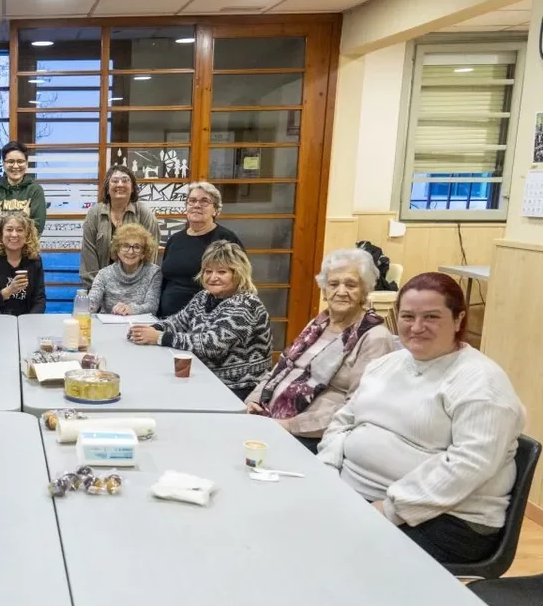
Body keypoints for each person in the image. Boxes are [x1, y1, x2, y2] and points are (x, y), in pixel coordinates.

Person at [318, 272, 525, 564]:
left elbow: (469, 465)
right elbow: (344, 421)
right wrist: (326, 470)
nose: (416, 327)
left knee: (323, 551)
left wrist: (389, 509)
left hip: (446, 519)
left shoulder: (482, 383)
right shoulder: (386, 364)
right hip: (359, 494)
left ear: (458, 320)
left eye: (431, 317)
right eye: (407, 316)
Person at [245, 249, 398, 452]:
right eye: (333, 284)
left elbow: (358, 407)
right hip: (270, 419)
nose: (341, 291)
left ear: (365, 290)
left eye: (351, 285)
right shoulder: (318, 324)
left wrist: (290, 425)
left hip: (312, 437)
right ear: (324, 290)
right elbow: (281, 367)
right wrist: (253, 400)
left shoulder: (375, 337)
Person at [129, 240, 271, 399]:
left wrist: (159, 337)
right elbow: (178, 322)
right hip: (205, 377)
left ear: (238, 274)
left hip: (238, 387)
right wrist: (151, 329)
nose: (213, 277)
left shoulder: (246, 304)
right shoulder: (204, 296)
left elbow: (212, 345)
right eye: (208, 271)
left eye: (222, 272)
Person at [158, 181, 244, 317]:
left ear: (215, 210)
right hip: (167, 318)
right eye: (192, 201)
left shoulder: (226, 239)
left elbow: (239, 281)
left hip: (206, 318)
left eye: (204, 201)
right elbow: (165, 280)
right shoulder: (175, 239)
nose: (197, 205)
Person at [79, 165, 161, 288]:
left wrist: (135, 290)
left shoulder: (144, 214)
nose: (120, 184)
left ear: (132, 188)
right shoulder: (94, 214)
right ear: (107, 188)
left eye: (125, 180)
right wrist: (98, 289)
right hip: (99, 287)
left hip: (135, 289)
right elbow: (88, 259)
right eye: (115, 181)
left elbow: (150, 256)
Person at [0, 211, 46, 316]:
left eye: (20, 230)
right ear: (1, 233)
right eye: (9, 230)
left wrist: (29, 321)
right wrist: (9, 291)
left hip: (23, 320)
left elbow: (39, 299)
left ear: (27, 235)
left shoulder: (34, 259)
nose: (14, 234)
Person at [88, 223, 162, 316]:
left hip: (140, 323)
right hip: (107, 323)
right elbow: (92, 302)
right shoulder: (104, 274)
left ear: (143, 253)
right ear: (117, 250)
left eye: (137, 247)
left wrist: (131, 309)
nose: (130, 252)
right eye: (125, 246)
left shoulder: (154, 273)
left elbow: (152, 306)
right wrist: (86, 308)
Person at [0, 141, 46, 235]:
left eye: (20, 161)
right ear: (3, 164)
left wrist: (1, 219)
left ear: (26, 164)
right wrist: (23, 217)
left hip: (26, 245)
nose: (15, 166)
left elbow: (37, 227)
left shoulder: (35, 190)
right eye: (11, 161)